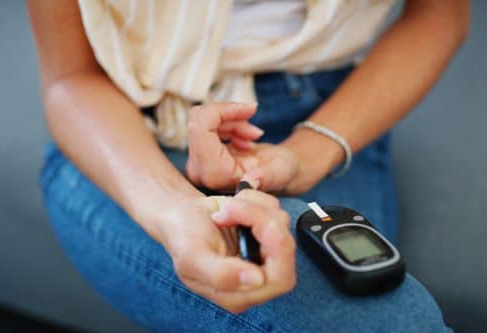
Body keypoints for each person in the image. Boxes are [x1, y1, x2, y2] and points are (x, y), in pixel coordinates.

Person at [27, 0, 469, 332]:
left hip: (334, 110)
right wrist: (172, 210)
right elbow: (72, 77)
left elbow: (439, 13)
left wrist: (306, 153)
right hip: (124, 137)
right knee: (390, 321)